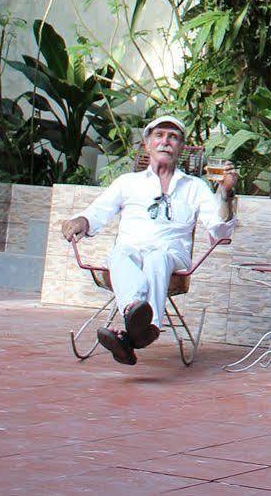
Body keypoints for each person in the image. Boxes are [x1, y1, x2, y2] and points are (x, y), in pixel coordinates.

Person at [59, 115, 237, 365]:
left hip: (170, 257)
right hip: (129, 253)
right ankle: (139, 330)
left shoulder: (195, 187)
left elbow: (220, 231)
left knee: (157, 257)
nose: (166, 141)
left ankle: (137, 321)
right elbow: (97, 213)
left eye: (173, 137)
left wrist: (226, 194)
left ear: (181, 148)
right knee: (119, 254)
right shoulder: (127, 183)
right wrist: (81, 221)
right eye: (159, 135)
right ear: (147, 144)